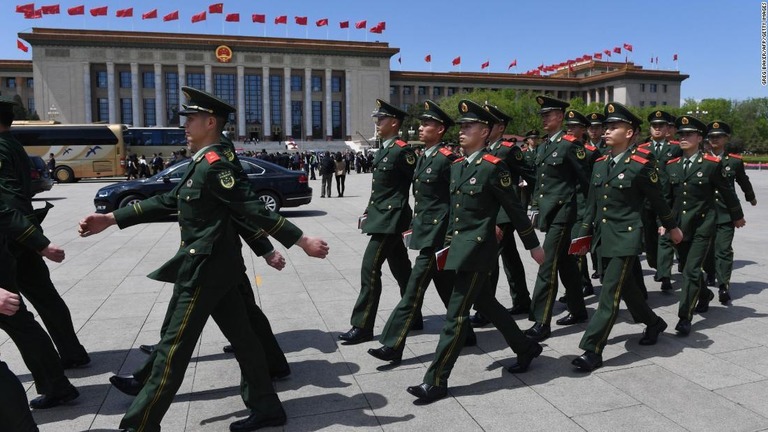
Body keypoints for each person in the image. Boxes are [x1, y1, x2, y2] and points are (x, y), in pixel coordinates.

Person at [78, 86, 330, 432]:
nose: (185, 125)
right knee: (245, 341)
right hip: (216, 266)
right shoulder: (202, 162)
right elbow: (169, 200)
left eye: (191, 119)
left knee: (172, 348)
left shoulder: (215, 166)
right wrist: (111, 219)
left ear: (210, 122)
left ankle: (139, 424)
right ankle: (266, 407)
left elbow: (250, 208)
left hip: (205, 269)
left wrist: (300, 240)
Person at [406, 100, 545, 404]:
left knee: (455, 316)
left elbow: (515, 210)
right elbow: (454, 213)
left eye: (468, 127)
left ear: (484, 131)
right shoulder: (458, 166)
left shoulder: (493, 168)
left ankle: (436, 380)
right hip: (459, 247)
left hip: (479, 250)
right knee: (487, 303)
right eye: (461, 127)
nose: (462, 132)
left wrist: (532, 245)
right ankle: (525, 346)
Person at [571, 102, 683, 371]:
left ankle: (592, 349)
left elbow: (658, 200)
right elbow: (591, 205)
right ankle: (654, 323)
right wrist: (583, 235)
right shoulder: (599, 164)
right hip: (603, 237)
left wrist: (671, 226)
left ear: (630, 132)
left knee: (609, 294)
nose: (606, 131)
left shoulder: (641, 165)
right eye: (606, 127)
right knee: (628, 290)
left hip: (627, 237)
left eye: (613, 127)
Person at [368, 100, 477, 365]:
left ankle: (393, 344)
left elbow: (458, 199)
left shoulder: (447, 160)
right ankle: (468, 334)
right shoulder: (424, 157)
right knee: (449, 287)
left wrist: (453, 235)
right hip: (427, 232)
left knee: (413, 290)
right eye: (421, 123)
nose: (420, 127)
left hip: (438, 236)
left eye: (427, 124)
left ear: (440, 130)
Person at [0, 97, 80, 410]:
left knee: (19, 314)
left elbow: (5, 201)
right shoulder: (14, 145)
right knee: (35, 304)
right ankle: (69, 358)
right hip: (20, 233)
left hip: (13, 236)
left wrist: (34, 240)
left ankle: (58, 379)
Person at [338, 99, 416, 345]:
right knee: (401, 268)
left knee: (369, 269)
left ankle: (362, 326)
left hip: (392, 220)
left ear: (394, 123)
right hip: (381, 216)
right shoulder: (384, 149)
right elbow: (379, 190)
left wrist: (416, 217)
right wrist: (368, 211)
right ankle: (414, 314)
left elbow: (420, 184)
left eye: (381, 120)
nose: (377, 123)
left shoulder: (402, 151)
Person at [660, 115, 745, 336]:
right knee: (688, 266)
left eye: (688, 134)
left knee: (690, 270)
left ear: (699, 138)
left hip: (702, 226)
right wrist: (664, 223)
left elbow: (727, 192)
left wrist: (737, 215)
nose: (683, 138)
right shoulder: (672, 166)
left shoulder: (711, 165)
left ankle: (684, 317)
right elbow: (666, 198)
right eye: (681, 134)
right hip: (679, 227)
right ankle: (705, 294)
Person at [524, 95, 590, 342]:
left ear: (560, 117)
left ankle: (541, 321)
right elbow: (541, 183)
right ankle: (579, 309)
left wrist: (585, 218)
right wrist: (535, 206)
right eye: (541, 115)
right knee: (565, 264)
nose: (543, 119)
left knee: (547, 265)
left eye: (548, 115)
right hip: (550, 214)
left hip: (565, 214)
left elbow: (587, 183)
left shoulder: (569, 145)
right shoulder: (544, 146)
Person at [469, 104, 533, 328]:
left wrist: (533, 201)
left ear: (501, 127)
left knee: (489, 260)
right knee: (510, 257)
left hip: (503, 215)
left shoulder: (507, 150)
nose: (486, 126)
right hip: (492, 211)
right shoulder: (486, 148)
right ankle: (522, 299)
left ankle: (486, 309)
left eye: (491, 123)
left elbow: (530, 173)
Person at [702, 121, 756, 303]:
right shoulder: (700, 159)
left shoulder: (734, 161)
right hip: (704, 213)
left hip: (725, 212)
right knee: (707, 250)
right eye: (711, 136)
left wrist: (750, 197)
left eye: (718, 136)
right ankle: (710, 271)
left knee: (723, 249)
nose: (714, 139)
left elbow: (743, 180)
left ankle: (724, 285)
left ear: (726, 138)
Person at [638, 110, 682, 290]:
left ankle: (664, 274)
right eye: (654, 126)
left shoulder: (675, 148)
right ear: (650, 129)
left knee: (664, 237)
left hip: (666, 199)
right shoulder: (642, 149)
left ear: (667, 129)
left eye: (661, 126)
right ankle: (658, 265)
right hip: (646, 202)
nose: (657, 129)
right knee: (650, 239)